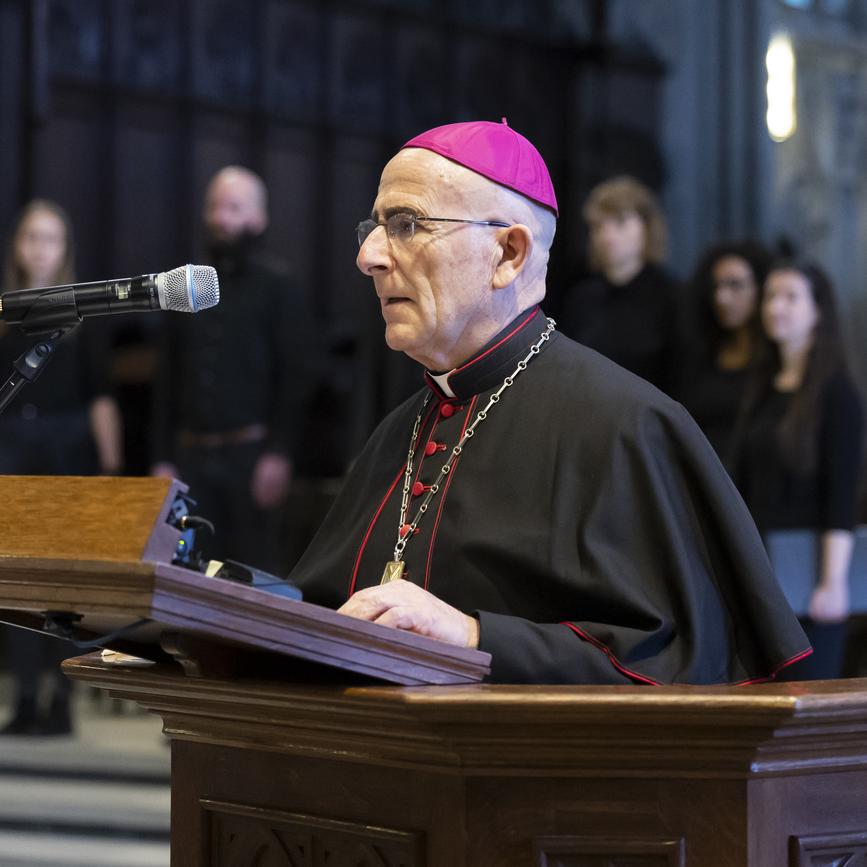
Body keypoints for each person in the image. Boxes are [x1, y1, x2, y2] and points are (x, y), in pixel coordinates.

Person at [290, 119, 809, 685]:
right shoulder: (398, 433)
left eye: (407, 224)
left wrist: (474, 637)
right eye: (374, 227)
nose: (369, 256)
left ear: (508, 253)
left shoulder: (625, 424)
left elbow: (679, 665)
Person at [151, 166, 315, 573]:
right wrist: (162, 458)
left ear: (257, 218)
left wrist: (279, 451)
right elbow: (165, 379)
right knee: (182, 573)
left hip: (250, 457)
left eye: (234, 207)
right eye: (215, 207)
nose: (221, 218)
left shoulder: (279, 287)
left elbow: (296, 375)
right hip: (190, 457)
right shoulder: (183, 285)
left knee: (248, 574)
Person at [0, 199, 123, 735]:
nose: (39, 248)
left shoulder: (84, 313)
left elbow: (101, 398)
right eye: (31, 237)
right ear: (17, 247)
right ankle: (25, 696)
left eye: (50, 238)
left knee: (64, 586)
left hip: (68, 450)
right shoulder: (6, 314)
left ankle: (61, 701)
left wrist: (111, 466)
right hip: (14, 449)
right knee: (17, 580)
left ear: (64, 249)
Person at [730, 260, 864, 680]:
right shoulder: (763, 386)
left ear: (818, 311)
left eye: (791, 296)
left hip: (810, 579)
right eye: (771, 296)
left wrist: (833, 582)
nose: (776, 307)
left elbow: (841, 496)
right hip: (764, 574)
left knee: (807, 699)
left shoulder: (837, 393)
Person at [555, 176, 681, 395]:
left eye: (620, 222)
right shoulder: (581, 298)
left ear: (647, 228)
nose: (607, 236)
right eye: (598, 226)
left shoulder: (673, 298)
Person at [679, 240, 773, 458]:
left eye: (735, 285)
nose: (722, 298)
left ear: (761, 288)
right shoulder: (702, 355)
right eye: (716, 286)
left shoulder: (776, 362)